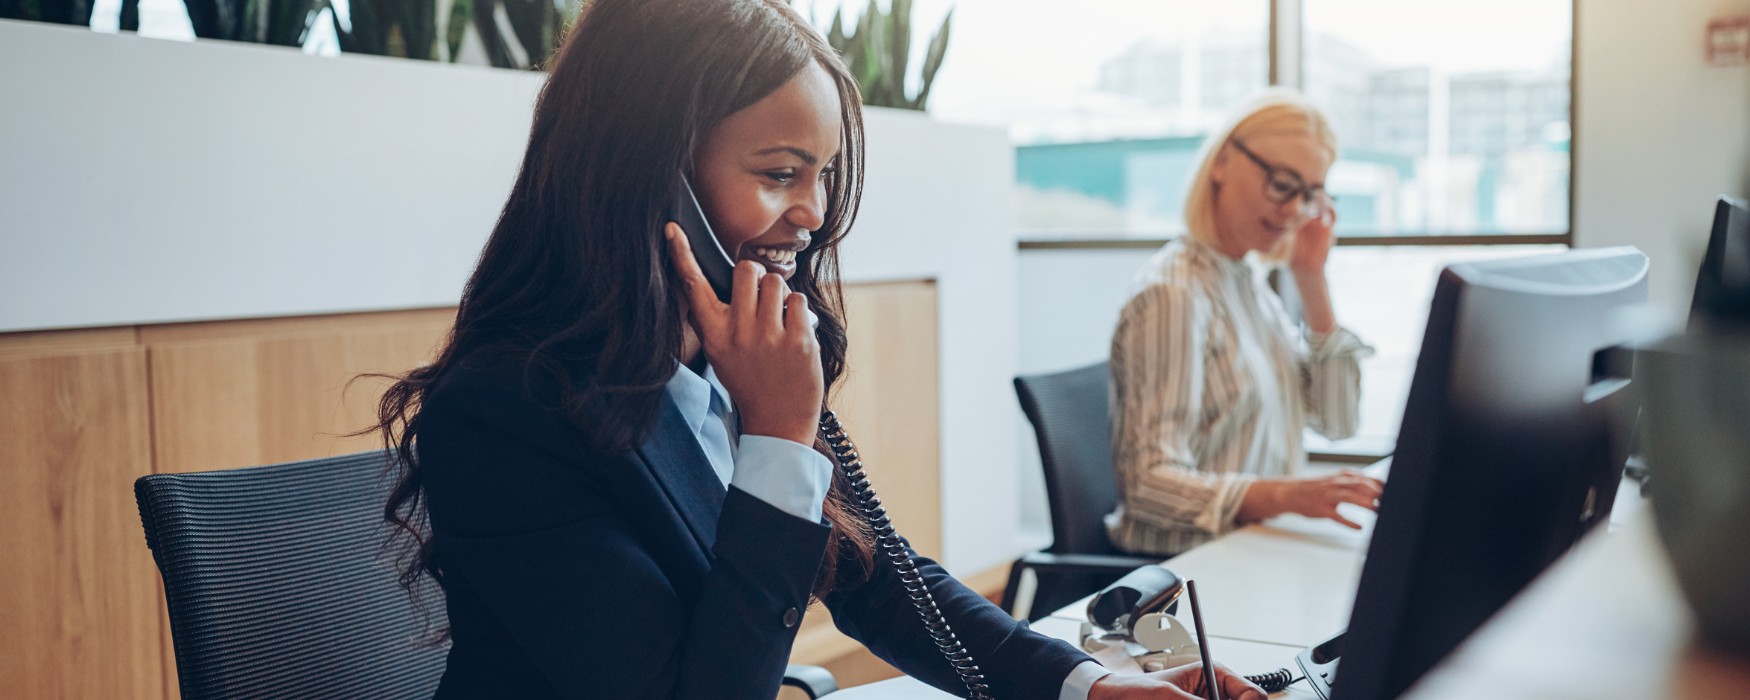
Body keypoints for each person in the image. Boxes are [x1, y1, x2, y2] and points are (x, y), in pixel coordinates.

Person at [370, 1, 1265, 698]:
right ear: (650, 177)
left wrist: (1089, 686)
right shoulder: (506, 412)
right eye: (778, 173)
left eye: (822, 173)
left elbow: (878, 579)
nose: (812, 213)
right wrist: (776, 441)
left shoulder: (725, 359)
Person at [1105, 91, 1386, 557]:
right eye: (1282, 184)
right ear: (1222, 162)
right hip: (1187, 573)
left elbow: (1338, 421)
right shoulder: (1174, 294)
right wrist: (1284, 496)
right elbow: (1148, 484)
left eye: (1310, 194)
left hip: (1251, 548)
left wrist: (1312, 280)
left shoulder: (1247, 283)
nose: (1296, 210)